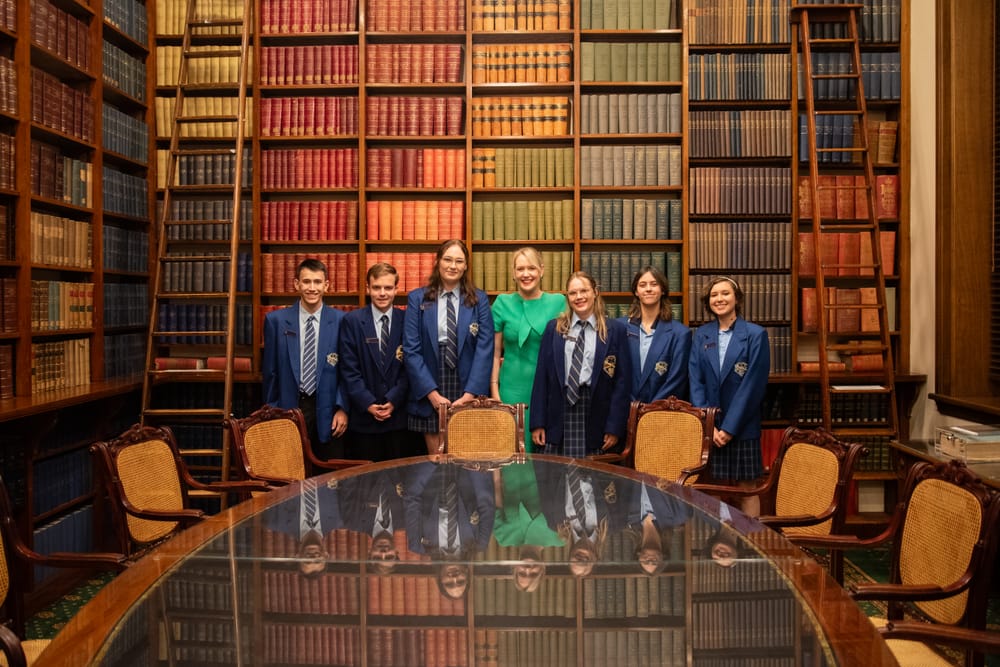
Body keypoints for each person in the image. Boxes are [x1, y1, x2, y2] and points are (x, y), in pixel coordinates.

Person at [688, 276, 770, 517]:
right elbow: (696, 381)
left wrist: (730, 428)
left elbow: (753, 385)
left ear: (737, 298)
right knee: (711, 487)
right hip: (710, 427)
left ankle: (749, 544)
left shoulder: (755, 334)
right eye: (714, 295)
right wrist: (708, 423)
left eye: (725, 293)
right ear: (708, 301)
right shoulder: (701, 335)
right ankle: (718, 543)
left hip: (742, 427)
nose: (719, 299)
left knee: (747, 488)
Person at [403, 239, 494, 454]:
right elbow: (411, 349)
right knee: (437, 463)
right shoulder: (417, 298)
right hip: (431, 382)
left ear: (465, 266)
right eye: (448, 259)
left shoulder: (479, 299)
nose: (453, 266)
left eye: (459, 261)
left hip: (467, 383)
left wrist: (470, 394)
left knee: (466, 462)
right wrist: (432, 395)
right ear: (438, 262)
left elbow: (485, 348)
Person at [529, 271, 631, 458]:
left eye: (584, 291)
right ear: (567, 297)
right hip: (559, 411)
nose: (579, 297)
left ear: (595, 292)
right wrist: (537, 422)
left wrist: (615, 426)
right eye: (573, 293)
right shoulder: (554, 328)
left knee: (593, 479)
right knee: (556, 478)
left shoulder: (615, 330)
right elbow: (541, 378)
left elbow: (622, 384)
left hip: (595, 414)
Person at [262, 258, 349, 460]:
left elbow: (347, 371)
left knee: (328, 481)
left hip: (328, 411)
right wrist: (272, 411)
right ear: (296, 284)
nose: (312, 288)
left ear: (326, 285)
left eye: (317, 282)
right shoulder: (276, 321)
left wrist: (343, 408)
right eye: (306, 281)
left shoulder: (341, 320)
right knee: (291, 478)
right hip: (288, 409)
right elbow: (270, 373)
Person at [340, 262, 422, 461]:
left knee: (398, 484)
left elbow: (411, 366)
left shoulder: (408, 320)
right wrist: (368, 403)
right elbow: (349, 369)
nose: (382, 293)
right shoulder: (352, 321)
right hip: (363, 420)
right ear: (368, 289)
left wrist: (393, 400)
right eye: (376, 287)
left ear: (396, 289)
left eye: (388, 287)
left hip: (399, 419)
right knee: (365, 485)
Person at [490, 247, 566, 448]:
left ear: (541, 270)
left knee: (542, 461)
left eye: (531, 268)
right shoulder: (501, 303)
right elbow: (495, 352)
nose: (526, 274)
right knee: (511, 455)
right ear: (513, 273)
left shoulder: (558, 302)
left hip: (546, 391)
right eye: (520, 269)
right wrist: (494, 391)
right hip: (509, 390)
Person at [621, 265, 691, 403]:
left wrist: (650, 410)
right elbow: (616, 374)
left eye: (654, 284)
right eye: (642, 285)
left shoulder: (680, 334)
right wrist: (631, 407)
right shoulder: (620, 328)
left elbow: (677, 380)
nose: (648, 289)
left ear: (663, 290)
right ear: (636, 291)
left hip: (661, 414)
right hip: (624, 411)